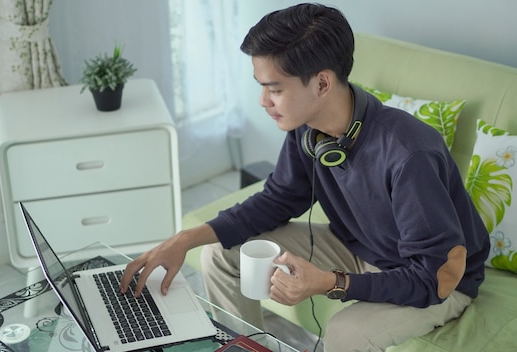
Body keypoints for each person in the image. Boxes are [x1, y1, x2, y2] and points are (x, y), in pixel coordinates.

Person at [120, 3, 490, 351]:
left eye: (275, 89)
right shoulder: (309, 131)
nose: (264, 102)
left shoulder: (410, 154)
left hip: (439, 280)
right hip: (359, 247)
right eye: (262, 86)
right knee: (221, 254)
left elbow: (433, 278)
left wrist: (329, 282)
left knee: (345, 331)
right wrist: (186, 239)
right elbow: (278, 200)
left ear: (322, 84)